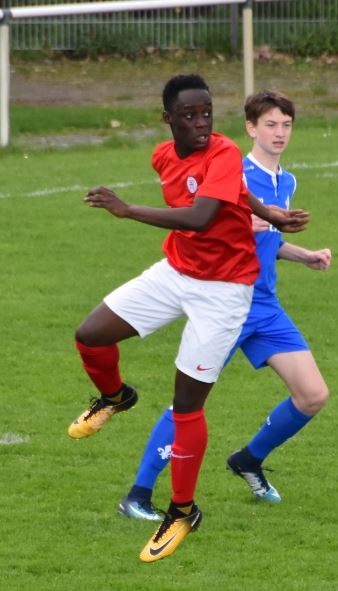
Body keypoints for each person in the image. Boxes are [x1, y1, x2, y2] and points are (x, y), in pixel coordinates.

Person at [69, 74, 308, 563]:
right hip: (176, 272)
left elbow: (200, 217)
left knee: (186, 405)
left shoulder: (223, 151)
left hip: (225, 292)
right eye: (189, 115)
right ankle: (116, 396)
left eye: (207, 114)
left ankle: (182, 511)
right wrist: (272, 214)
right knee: (90, 335)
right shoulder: (163, 156)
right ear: (168, 119)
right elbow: (235, 191)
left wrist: (127, 210)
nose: (201, 123)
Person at [117, 90, 330, 522]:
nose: (279, 133)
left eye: (286, 125)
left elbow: (266, 240)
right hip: (227, 302)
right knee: (188, 405)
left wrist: (303, 255)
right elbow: (201, 221)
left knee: (312, 395)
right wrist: (249, 220)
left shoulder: (286, 181)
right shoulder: (233, 169)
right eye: (270, 124)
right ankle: (138, 494)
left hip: (264, 304)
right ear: (250, 128)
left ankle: (248, 459)